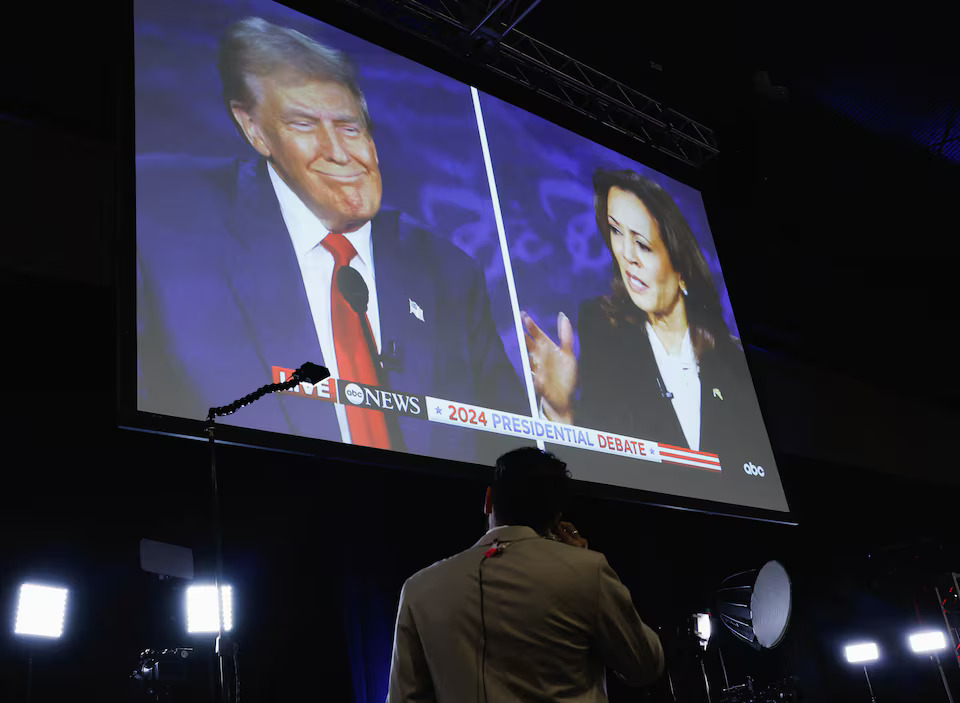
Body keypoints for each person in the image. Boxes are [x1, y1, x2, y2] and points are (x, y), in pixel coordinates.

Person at [136, 17, 528, 463]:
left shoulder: (450, 274)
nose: (339, 153)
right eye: (303, 125)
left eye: (348, 126)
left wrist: (553, 417)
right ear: (254, 129)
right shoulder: (161, 227)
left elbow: (507, 454)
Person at [523, 169, 766, 460]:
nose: (626, 254)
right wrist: (559, 410)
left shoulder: (733, 360)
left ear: (681, 268)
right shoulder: (602, 329)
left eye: (642, 244)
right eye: (615, 231)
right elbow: (596, 464)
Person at [387, 447, 664, 702]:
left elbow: (405, 698)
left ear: (488, 500)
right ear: (556, 516)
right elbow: (644, 665)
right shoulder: (587, 571)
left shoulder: (419, 588)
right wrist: (582, 560)